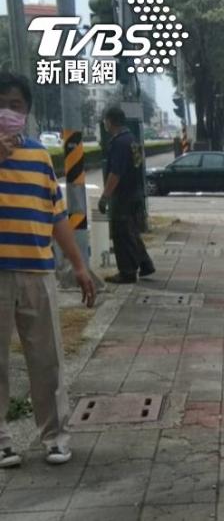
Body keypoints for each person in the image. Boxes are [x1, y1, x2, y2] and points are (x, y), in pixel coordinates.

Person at [0, 72, 96, 467]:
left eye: (16, 105)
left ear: (27, 112)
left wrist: (79, 265)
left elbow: (57, 216)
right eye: (2, 103)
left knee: (48, 358)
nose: (8, 112)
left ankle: (55, 436)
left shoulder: (40, 157)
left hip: (38, 271)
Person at [98, 106, 154, 284]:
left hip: (122, 196)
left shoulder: (119, 143)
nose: (104, 123)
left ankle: (127, 272)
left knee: (121, 234)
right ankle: (145, 264)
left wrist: (105, 196)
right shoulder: (132, 140)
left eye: (105, 120)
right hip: (135, 193)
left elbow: (116, 173)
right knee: (131, 232)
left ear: (110, 121)